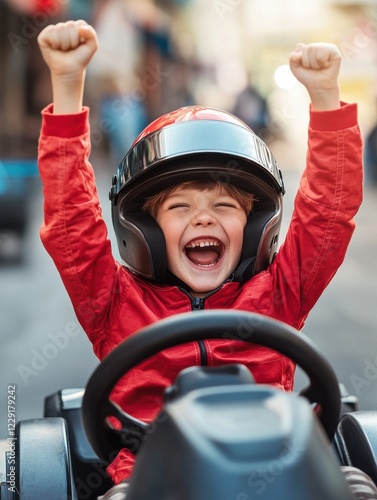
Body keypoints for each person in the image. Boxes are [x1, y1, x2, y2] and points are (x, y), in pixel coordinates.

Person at [37, 20, 362, 490]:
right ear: (144, 229)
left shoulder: (279, 291)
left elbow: (328, 216)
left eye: (224, 207)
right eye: (181, 207)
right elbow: (71, 223)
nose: (204, 219)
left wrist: (326, 99)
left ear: (253, 228)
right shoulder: (112, 302)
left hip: (276, 472)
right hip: (150, 479)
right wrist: (68, 86)